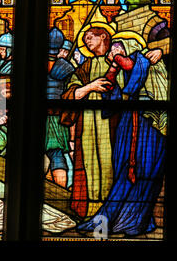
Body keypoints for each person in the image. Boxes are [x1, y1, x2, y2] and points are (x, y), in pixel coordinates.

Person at [77, 32, 166, 236]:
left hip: (150, 123)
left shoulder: (144, 60)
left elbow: (135, 72)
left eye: (118, 46)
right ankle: (110, 221)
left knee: (145, 172)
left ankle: (136, 222)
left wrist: (117, 59)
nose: (114, 50)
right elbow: (113, 89)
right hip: (130, 122)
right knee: (123, 169)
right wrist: (113, 67)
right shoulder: (126, 62)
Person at [61, 24, 118, 218]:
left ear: (103, 37)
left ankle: (111, 210)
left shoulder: (120, 61)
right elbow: (71, 93)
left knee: (111, 162)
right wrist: (90, 87)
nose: (87, 41)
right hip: (87, 124)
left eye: (90, 37)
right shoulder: (85, 66)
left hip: (113, 124)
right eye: (85, 39)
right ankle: (93, 212)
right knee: (89, 163)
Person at [45, 28, 75, 188]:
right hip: (57, 118)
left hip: (38, 117)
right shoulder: (66, 67)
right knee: (56, 156)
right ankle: (59, 191)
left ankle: (55, 194)